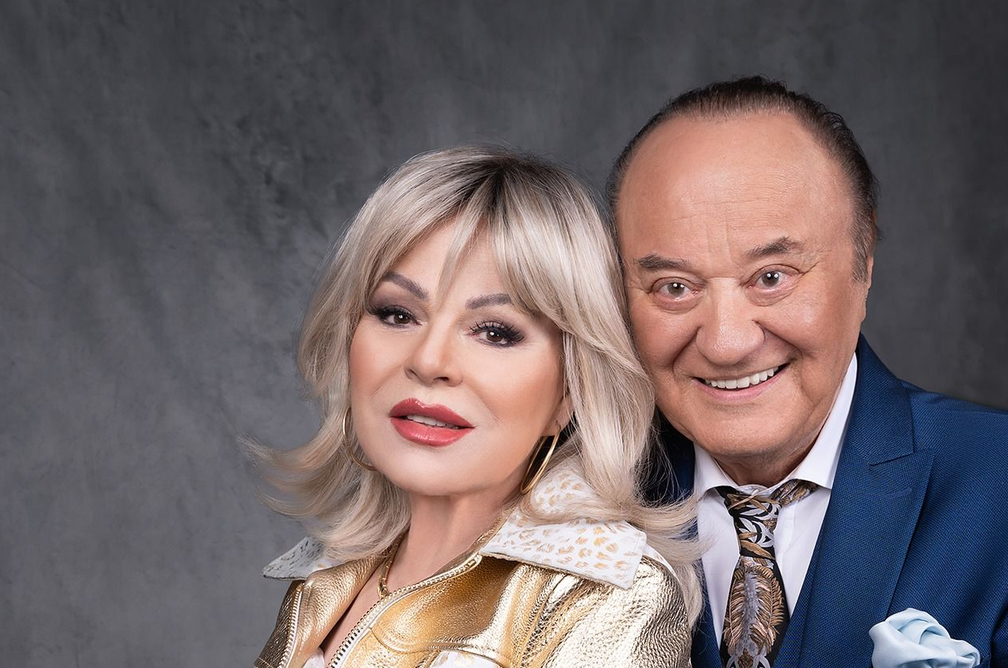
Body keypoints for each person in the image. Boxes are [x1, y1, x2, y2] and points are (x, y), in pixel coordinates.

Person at [606, 76, 1008, 667]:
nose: (727, 343)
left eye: (772, 278)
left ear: (863, 263)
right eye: (674, 287)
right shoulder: (578, 492)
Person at [252, 147, 700, 668]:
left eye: (494, 332)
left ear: (570, 390)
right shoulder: (328, 574)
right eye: (397, 314)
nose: (428, 360)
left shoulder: (608, 598)